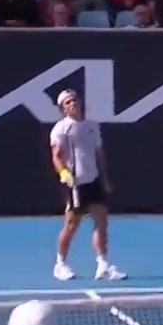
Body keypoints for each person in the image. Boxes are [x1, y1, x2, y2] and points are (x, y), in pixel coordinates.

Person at [49, 89, 126, 282]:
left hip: (94, 181)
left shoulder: (92, 126)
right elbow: (56, 156)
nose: (72, 104)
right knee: (71, 225)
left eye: (74, 100)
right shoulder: (61, 129)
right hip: (74, 183)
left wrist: (105, 177)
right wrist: (64, 173)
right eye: (67, 102)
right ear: (63, 109)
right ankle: (60, 264)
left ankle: (103, 265)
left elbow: (99, 153)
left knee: (101, 221)